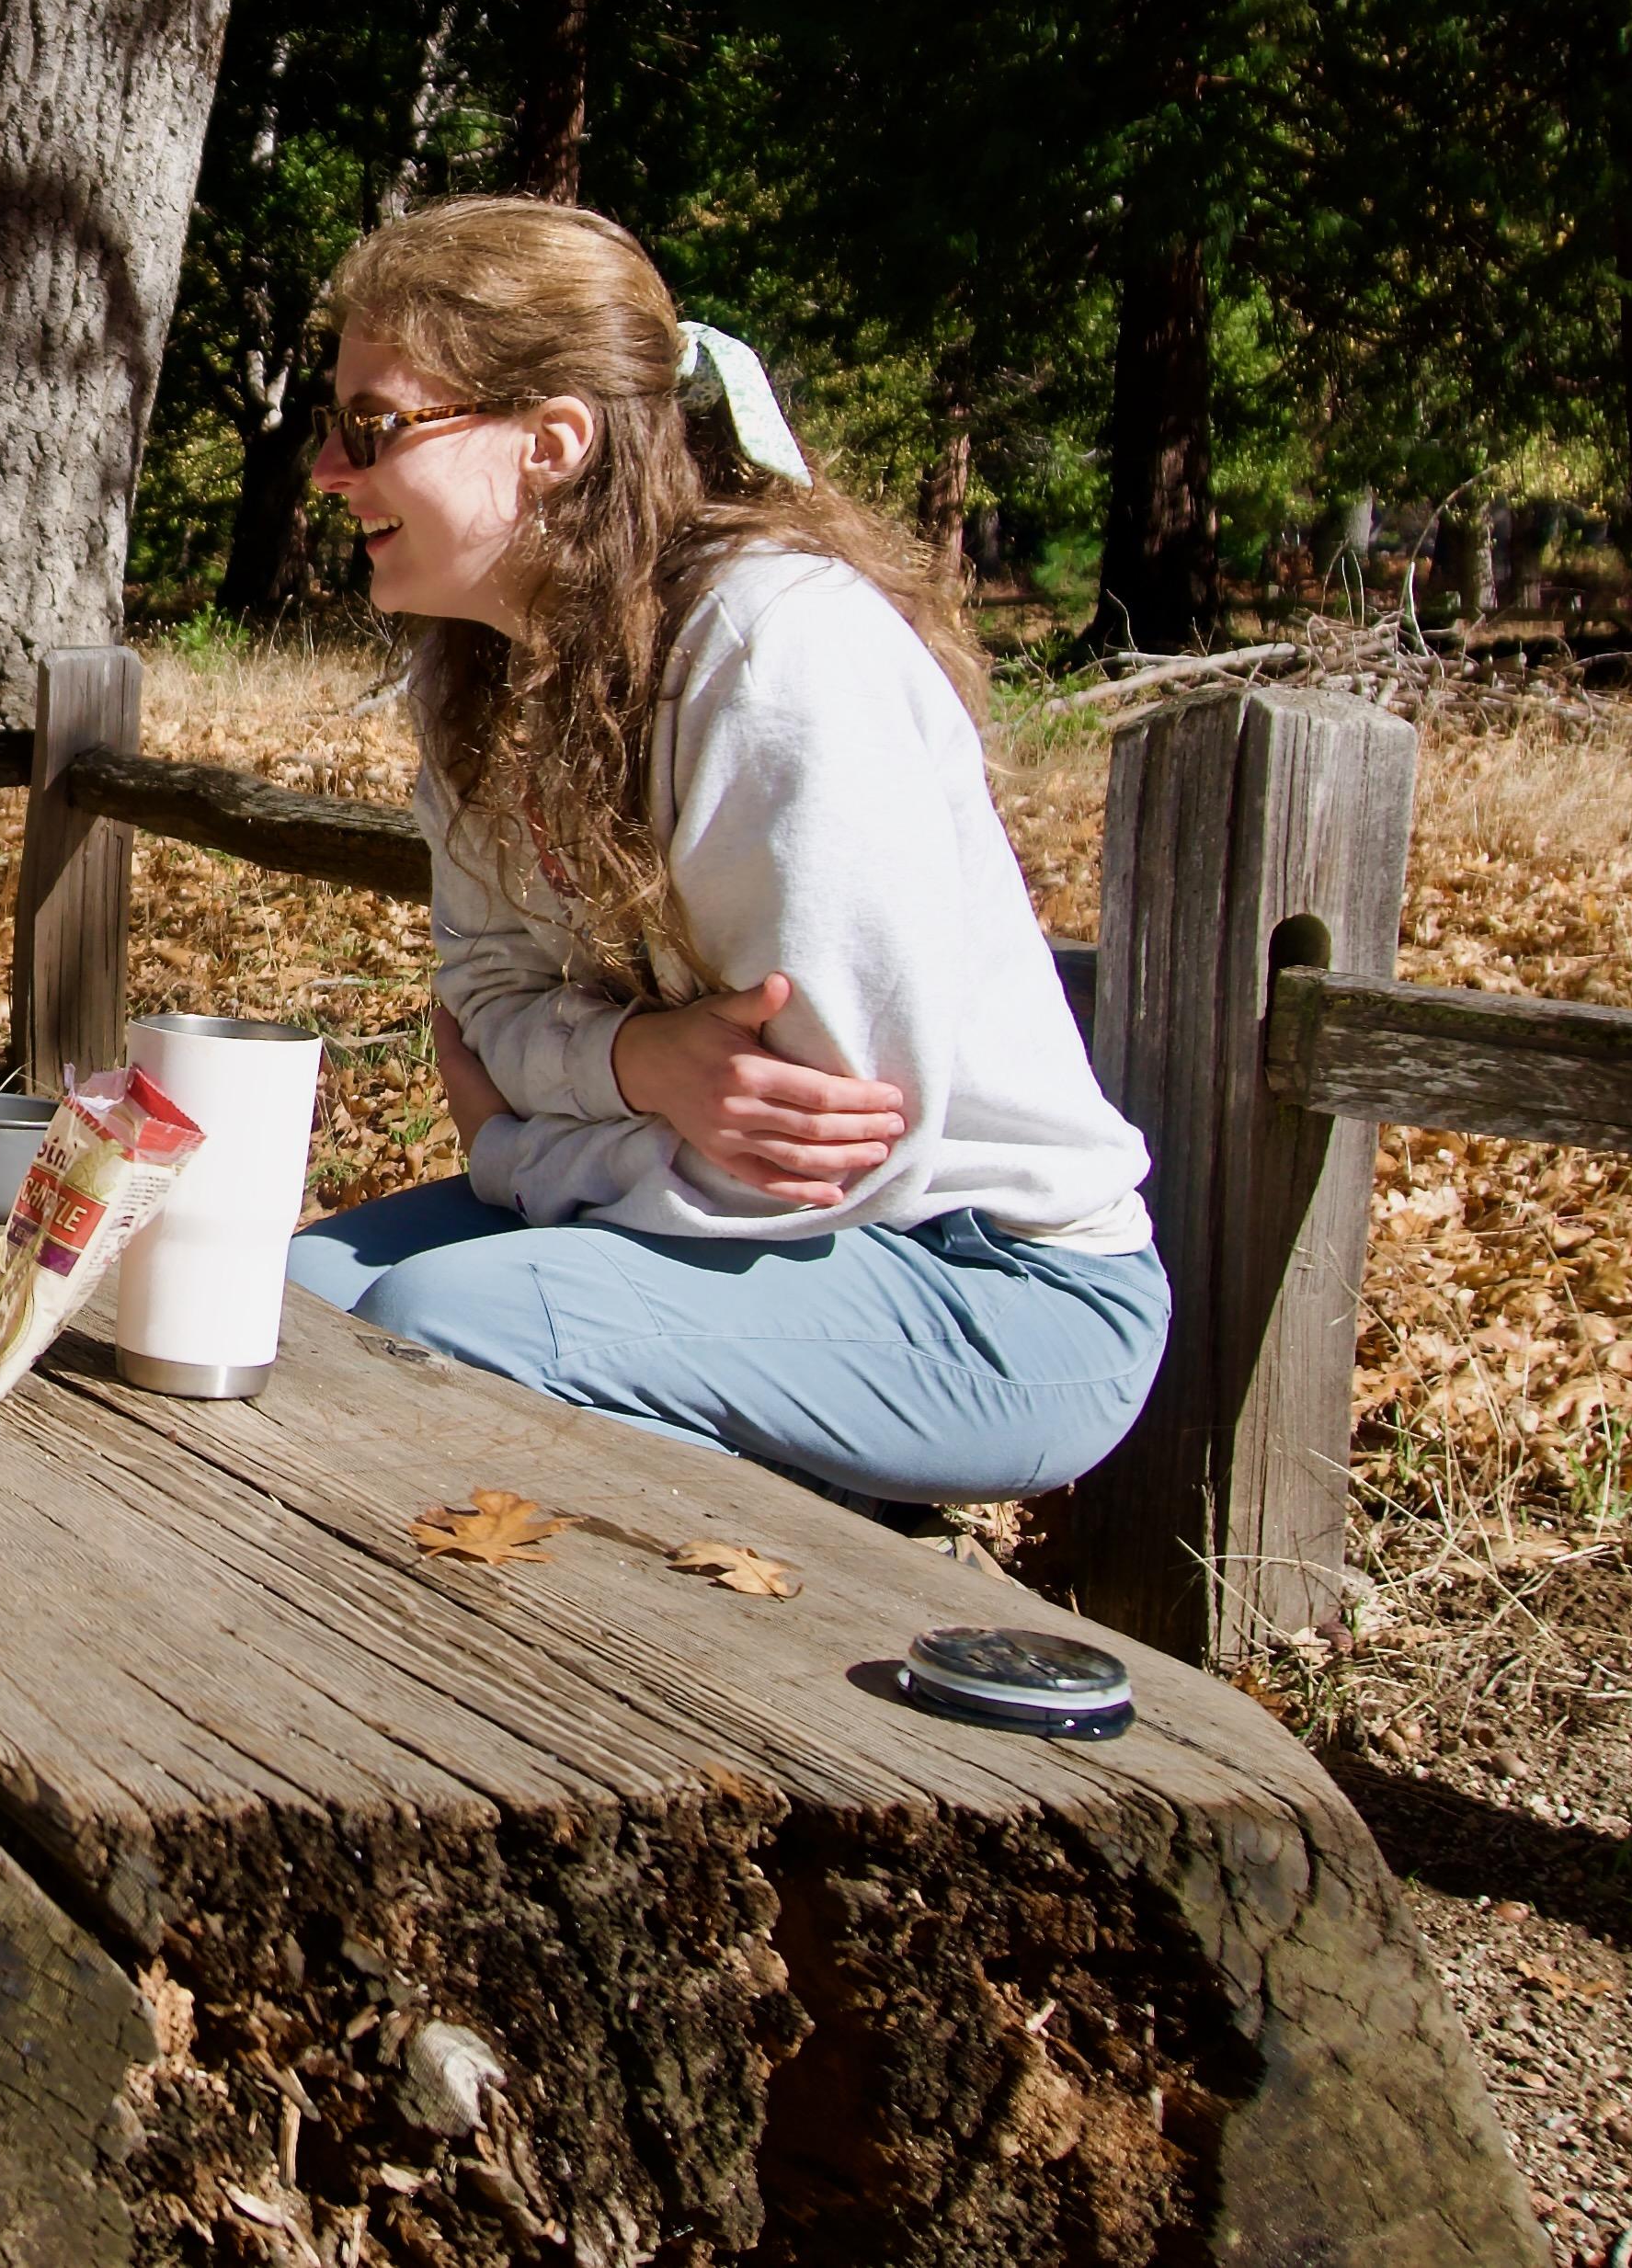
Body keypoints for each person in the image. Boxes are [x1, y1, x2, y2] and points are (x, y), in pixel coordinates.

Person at [282, 199, 1162, 1510]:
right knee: (278, 1306)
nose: (325, 471)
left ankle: (787, 1612)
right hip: (715, 1214)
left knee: (437, 1324)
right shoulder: (471, 673)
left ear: (552, 444)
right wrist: (636, 1064)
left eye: (374, 428)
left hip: (985, 1289)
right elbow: (484, 1009)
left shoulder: (773, 653)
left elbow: (819, 1157)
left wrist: (518, 1150)